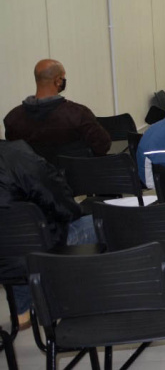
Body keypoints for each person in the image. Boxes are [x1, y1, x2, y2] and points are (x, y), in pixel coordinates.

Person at [0, 139, 97, 330]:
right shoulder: (16, 155)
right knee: (106, 223)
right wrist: (74, 213)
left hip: (6, 258)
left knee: (14, 238)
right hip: (36, 252)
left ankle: (21, 312)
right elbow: (59, 200)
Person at [4, 59, 111, 162]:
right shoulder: (78, 114)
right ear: (58, 81)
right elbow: (102, 145)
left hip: (32, 179)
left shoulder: (12, 118)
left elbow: (13, 154)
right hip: (74, 178)